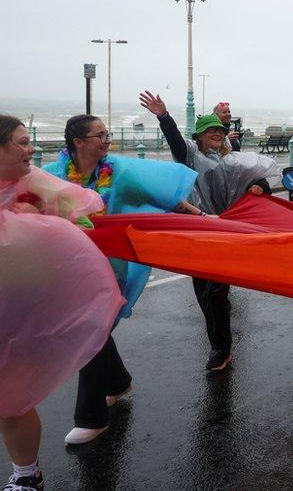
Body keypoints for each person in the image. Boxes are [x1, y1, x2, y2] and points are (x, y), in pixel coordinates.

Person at [43, 114, 196, 445]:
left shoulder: (120, 171)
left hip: (109, 269)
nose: (106, 139)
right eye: (99, 135)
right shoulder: (53, 177)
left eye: (107, 133)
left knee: (90, 331)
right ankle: (117, 381)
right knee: (92, 330)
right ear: (78, 143)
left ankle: (91, 417)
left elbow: (161, 196)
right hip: (69, 270)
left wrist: (203, 217)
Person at [0, 115, 121, 491]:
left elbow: (85, 205)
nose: (31, 148)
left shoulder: (32, 181)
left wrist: (43, 221)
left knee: (10, 398)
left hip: (16, 312)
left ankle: (26, 475)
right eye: (21, 142)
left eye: (29, 140)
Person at [139, 91, 277, 371]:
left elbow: (258, 178)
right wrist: (164, 116)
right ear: (199, 136)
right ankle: (218, 342)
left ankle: (220, 348)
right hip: (197, 226)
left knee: (216, 292)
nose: (216, 133)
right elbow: (175, 141)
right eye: (210, 130)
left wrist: (261, 186)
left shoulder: (233, 158)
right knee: (203, 292)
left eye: (219, 130)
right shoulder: (190, 156)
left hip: (225, 230)